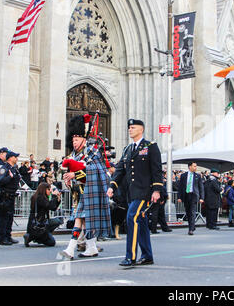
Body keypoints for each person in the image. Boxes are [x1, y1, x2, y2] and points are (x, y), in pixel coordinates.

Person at [107, 119, 163, 267]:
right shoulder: (127, 149)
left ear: (141, 129)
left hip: (144, 192)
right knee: (142, 222)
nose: (130, 130)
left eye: (133, 127)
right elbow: (120, 170)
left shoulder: (150, 147)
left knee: (132, 217)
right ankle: (147, 255)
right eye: (129, 127)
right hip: (131, 193)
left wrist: (157, 190)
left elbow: (156, 170)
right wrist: (112, 185)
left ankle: (130, 256)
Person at [60, 114, 112, 260]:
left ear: (83, 139)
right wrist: (68, 178)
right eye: (72, 139)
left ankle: (70, 249)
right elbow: (69, 169)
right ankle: (92, 247)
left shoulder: (92, 151)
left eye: (76, 139)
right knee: (84, 221)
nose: (74, 142)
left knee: (79, 219)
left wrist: (75, 175)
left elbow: (97, 170)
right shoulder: (73, 154)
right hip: (80, 193)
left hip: (91, 191)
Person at [24, 182, 63, 247]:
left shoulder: (41, 197)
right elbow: (49, 206)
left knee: (57, 222)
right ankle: (33, 236)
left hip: (41, 222)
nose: (50, 191)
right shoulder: (39, 198)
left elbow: (53, 208)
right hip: (38, 223)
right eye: (49, 189)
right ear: (44, 189)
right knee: (51, 241)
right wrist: (54, 196)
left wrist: (57, 199)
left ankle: (40, 236)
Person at [0, 150, 21, 246]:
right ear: (10, 158)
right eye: (15, 157)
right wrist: (9, 177)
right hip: (5, 196)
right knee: (4, 218)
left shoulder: (13, 168)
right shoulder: (4, 167)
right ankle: (2, 238)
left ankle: (8, 235)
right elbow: (0, 180)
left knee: (10, 217)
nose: (16, 159)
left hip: (11, 196)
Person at [177, 162, 204, 235]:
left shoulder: (198, 176)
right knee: (188, 212)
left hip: (194, 195)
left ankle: (190, 229)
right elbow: (180, 187)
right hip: (186, 195)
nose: (195, 168)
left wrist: (202, 197)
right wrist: (179, 197)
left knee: (192, 212)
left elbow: (201, 187)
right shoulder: (183, 176)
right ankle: (192, 225)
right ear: (189, 167)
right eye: (194, 166)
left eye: (196, 166)